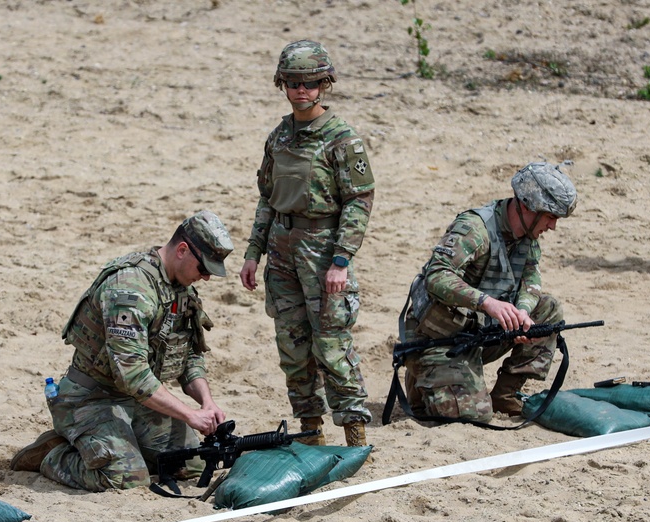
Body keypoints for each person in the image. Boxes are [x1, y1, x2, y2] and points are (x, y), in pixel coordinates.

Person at [10, 211, 233, 492]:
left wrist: (206, 402)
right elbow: (132, 374)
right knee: (126, 478)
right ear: (182, 250)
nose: (206, 278)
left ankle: (125, 445)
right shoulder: (130, 288)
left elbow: (189, 356)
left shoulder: (180, 289)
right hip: (91, 399)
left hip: (139, 401)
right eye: (204, 269)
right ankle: (52, 454)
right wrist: (189, 415)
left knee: (191, 464)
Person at [238, 40, 375, 447]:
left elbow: (358, 200)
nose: (302, 90)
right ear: (282, 84)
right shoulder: (278, 136)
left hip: (322, 247)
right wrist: (252, 253)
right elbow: (266, 197)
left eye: (312, 83)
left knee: (331, 343)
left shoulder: (341, 138)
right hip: (280, 248)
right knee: (293, 346)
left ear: (325, 84)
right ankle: (310, 430)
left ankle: (354, 432)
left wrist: (341, 259)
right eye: (294, 83)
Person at [400, 162, 577, 422]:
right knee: (473, 417)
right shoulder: (476, 228)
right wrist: (487, 303)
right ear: (528, 207)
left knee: (548, 311)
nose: (552, 226)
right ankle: (425, 377)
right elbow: (437, 276)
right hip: (440, 339)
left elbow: (531, 276)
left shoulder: (527, 236)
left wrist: (522, 314)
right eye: (551, 216)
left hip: (480, 334)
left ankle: (506, 395)